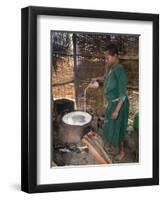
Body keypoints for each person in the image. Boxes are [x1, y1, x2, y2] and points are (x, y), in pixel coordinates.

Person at [92, 44, 129, 161]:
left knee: (119, 128)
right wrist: (97, 78)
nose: (106, 60)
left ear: (115, 56)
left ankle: (122, 152)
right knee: (110, 125)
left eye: (107, 57)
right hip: (112, 103)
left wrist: (117, 111)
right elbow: (106, 77)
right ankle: (111, 145)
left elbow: (122, 94)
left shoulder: (120, 71)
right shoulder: (111, 68)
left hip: (119, 104)